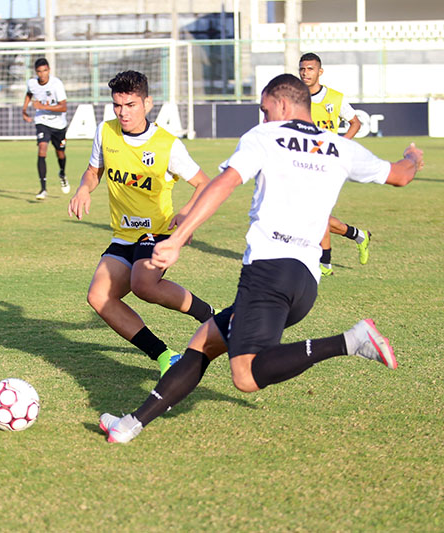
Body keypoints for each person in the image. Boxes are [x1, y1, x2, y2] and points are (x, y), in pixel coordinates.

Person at [99, 73, 423, 443]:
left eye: (265, 109)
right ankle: (129, 425)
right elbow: (400, 176)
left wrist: (177, 238)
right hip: (305, 282)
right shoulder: (339, 147)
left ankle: (350, 341)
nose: (263, 117)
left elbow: (223, 184)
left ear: (283, 104)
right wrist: (412, 157)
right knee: (204, 342)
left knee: (245, 376)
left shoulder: (266, 136)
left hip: (268, 272)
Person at [68, 70, 214, 378]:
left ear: (147, 103)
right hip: (124, 235)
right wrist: (83, 188)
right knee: (98, 297)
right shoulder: (105, 132)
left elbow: (204, 184)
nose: (123, 113)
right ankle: (166, 356)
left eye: (131, 105)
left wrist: (186, 213)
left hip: (157, 232)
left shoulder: (167, 145)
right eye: (117, 105)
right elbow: (94, 171)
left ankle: (211, 316)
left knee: (143, 285)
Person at [299, 52, 370, 276]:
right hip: (302, 163)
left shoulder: (335, 98)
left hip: (327, 164)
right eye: (302, 69)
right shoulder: (296, 98)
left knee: (316, 213)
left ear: (320, 72)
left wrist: (340, 144)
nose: (305, 73)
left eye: (310, 69)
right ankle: (358, 235)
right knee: (311, 214)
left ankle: (325, 263)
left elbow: (355, 123)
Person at [22, 58, 69, 199]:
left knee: (60, 153)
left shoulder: (56, 84)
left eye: (45, 71)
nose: (42, 74)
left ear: (49, 70)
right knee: (42, 148)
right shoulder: (32, 83)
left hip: (59, 124)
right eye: (39, 71)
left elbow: (63, 107)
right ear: (36, 72)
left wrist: (43, 106)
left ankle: (62, 173)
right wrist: (24, 110)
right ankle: (43, 189)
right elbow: (29, 93)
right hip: (42, 121)